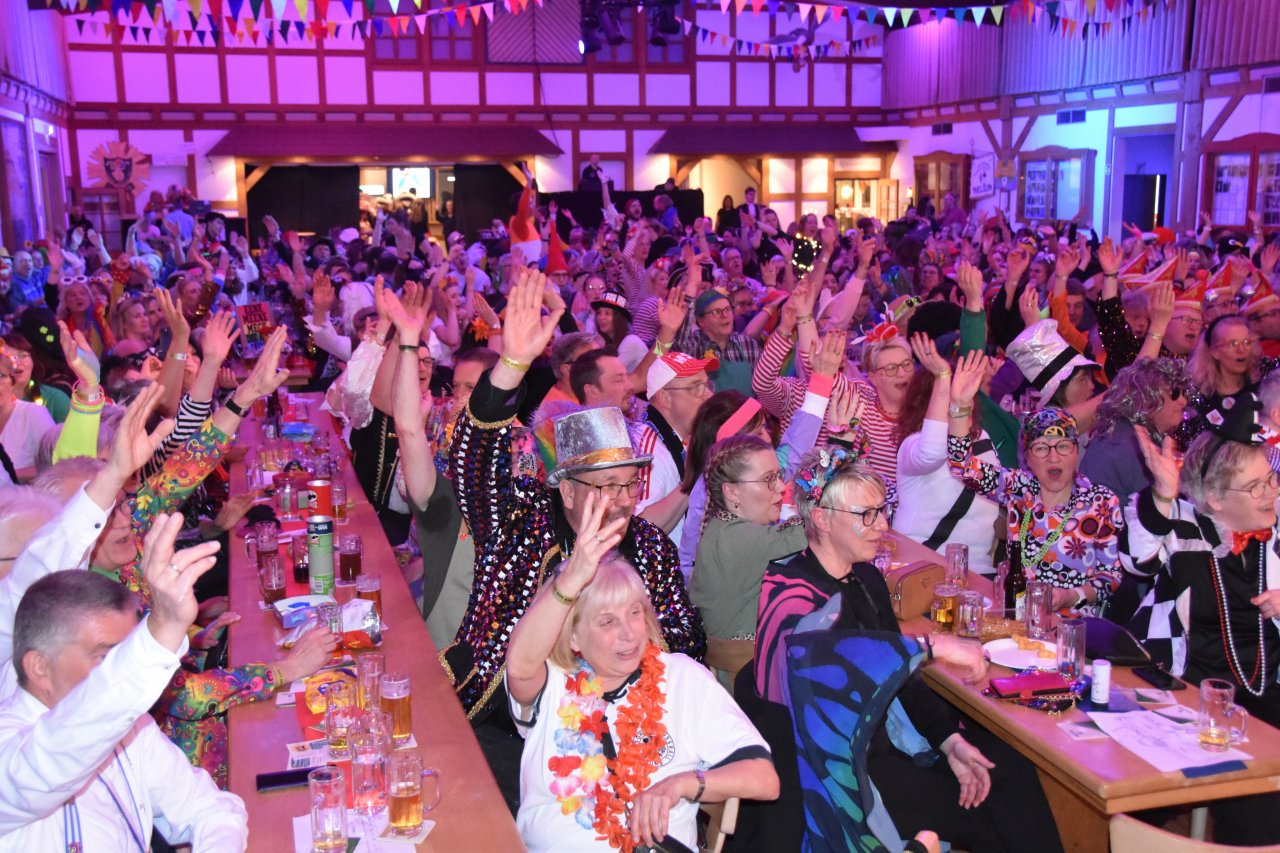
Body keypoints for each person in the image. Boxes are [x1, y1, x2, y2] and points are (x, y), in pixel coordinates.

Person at [751, 449, 1064, 853]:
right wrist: (933, 645)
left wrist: (949, 742)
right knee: (994, 817)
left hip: (892, 744)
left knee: (1012, 768)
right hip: (847, 775)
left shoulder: (865, 577)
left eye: (883, 510)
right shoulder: (789, 590)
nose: (882, 525)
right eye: (866, 514)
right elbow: (830, 661)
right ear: (822, 519)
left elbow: (904, 681)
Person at [446, 269, 704, 719]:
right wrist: (510, 368)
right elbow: (474, 461)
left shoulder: (649, 547)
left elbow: (687, 639)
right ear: (566, 489)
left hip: (616, 723)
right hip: (499, 719)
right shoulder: (517, 522)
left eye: (629, 483)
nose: (624, 499)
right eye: (606, 486)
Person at [504, 497, 777, 852]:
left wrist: (682, 784)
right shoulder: (554, 680)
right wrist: (570, 580)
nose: (629, 633)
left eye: (634, 613)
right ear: (573, 637)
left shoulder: (682, 679)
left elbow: (765, 778)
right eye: (607, 622)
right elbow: (519, 664)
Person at [0, 516, 249, 848]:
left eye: (125, 653)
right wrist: (161, 630)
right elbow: (59, 751)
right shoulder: (12, 749)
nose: (117, 674)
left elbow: (212, 810)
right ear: (40, 667)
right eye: (106, 657)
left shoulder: (133, 729)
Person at [1126, 393, 1280, 846]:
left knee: (1262, 806)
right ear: (1213, 497)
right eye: (1257, 487)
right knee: (1137, 808)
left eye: (1272, 479)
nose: (1273, 493)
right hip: (1179, 691)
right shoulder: (1183, 525)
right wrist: (1162, 494)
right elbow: (1138, 559)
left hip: (1265, 695)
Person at [948, 354, 1123, 615]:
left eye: (1063, 447)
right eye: (1041, 448)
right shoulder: (1019, 487)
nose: (1054, 457)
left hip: (1073, 626)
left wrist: (1069, 597)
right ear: (1027, 458)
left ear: (1077, 451)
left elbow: (1110, 577)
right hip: (1016, 616)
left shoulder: (1100, 501)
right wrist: (960, 406)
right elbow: (961, 466)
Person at [894, 341, 1000, 576]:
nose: (963, 402)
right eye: (951, 397)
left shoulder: (982, 440)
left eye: (966, 394)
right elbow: (933, 450)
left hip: (977, 572)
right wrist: (943, 377)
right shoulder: (913, 445)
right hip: (920, 568)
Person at [690, 435, 807, 640]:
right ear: (732, 492)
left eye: (778, 475)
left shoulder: (724, 528)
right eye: (768, 479)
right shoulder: (736, 538)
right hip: (745, 670)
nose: (781, 486)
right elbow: (822, 530)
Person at [1080, 357, 1192, 501]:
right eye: (1175, 393)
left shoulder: (1121, 433)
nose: (1183, 401)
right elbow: (1162, 512)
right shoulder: (1131, 445)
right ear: (1146, 396)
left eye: (1184, 394)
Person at [633, 352, 717, 537]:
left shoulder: (690, 438)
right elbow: (640, 532)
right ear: (665, 398)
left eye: (707, 385)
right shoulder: (645, 449)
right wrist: (693, 477)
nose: (709, 395)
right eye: (697, 387)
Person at [0, 350, 55, 483]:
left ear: (12, 382)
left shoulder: (33, 413)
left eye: (0, 375)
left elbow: (55, 464)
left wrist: (10, 474)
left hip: (24, 500)